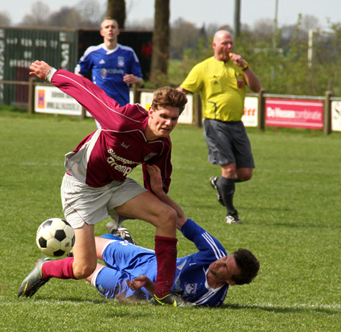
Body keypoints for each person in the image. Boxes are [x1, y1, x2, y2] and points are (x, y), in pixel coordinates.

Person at [18, 60, 189, 307]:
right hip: (81, 187)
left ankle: (162, 292)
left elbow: (156, 186)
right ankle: (46, 268)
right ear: (151, 110)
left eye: (174, 119)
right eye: (164, 116)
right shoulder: (121, 121)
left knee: (166, 217)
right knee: (83, 267)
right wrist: (51, 74)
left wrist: (166, 200)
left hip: (116, 186)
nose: (168, 123)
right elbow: (87, 91)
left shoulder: (162, 145)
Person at [177, 30, 261, 225]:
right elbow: (184, 89)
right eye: (224, 43)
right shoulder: (203, 68)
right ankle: (231, 214)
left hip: (237, 124)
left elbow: (257, 87)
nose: (229, 47)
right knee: (229, 168)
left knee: (246, 173)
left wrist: (246, 67)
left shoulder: (240, 67)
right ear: (214, 45)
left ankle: (220, 183)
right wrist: (164, 100)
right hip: (215, 123)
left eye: (231, 43)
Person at [85, 216, 259, 307]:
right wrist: (159, 192)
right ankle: (125, 242)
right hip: (149, 261)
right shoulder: (215, 252)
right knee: (81, 244)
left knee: (81, 264)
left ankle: (122, 240)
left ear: (230, 281)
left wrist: (147, 284)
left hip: (137, 291)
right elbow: (182, 220)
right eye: (225, 258)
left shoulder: (209, 299)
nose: (219, 262)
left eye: (225, 267)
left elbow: (170, 302)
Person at [75, 17, 143, 108]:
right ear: (102, 32)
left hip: (122, 104)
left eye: (113, 27)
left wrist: (135, 79)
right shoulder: (92, 52)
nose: (110, 29)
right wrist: (86, 91)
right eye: (107, 27)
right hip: (100, 104)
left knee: (120, 122)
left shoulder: (128, 53)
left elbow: (140, 81)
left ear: (118, 31)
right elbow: (78, 73)